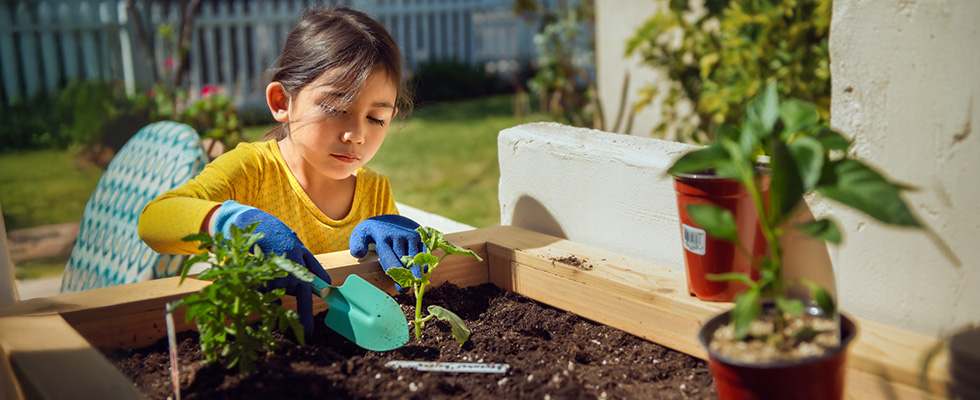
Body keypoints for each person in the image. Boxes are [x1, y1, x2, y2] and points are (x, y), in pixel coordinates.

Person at [138, 6, 426, 338]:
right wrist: (228, 221)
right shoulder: (251, 171)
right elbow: (154, 220)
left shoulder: (374, 190)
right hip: (254, 339)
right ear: (281, 102)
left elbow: (390, 289)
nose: (356, 135)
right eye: (336, 108)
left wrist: (400, 241)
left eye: (376, 118)